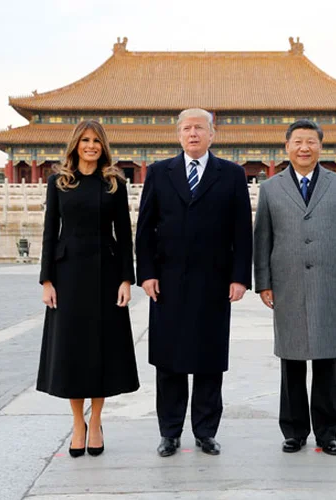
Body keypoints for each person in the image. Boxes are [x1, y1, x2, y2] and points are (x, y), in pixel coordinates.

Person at [135, 108, 253, 457]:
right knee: (169, 361)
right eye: (187, 128)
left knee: (209, 359)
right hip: (168, 282)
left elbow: (241, 231)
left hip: (214, 281)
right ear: (178, 135)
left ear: (212, 134)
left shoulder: (231, 174)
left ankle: (205, 431)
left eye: (200, 128)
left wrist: (239, 277)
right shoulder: (159, 173)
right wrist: (147, 273)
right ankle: (169, 432)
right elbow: (145, 229)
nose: (193, 134)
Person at [253, 119, 336, 456]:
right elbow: (263, 239)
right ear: (286, 147)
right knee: (292, 360)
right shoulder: (271, 188)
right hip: (287, 283)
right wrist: (264, 283)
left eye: (311, 142)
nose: (305, 148)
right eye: (298, 141)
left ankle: (328, 432)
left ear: (321, 146)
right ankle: (294, 430)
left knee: (326, 360)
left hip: (328, 281)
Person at [37, 120, 139, 458]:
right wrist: (47, 280)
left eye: (96, 140)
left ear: (103, 146)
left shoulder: (113, 183)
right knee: (72, 351)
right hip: (68, 276)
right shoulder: (59, 183)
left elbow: (124, 235)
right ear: (75, 145)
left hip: (106, 275)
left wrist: (127, 279)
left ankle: (95, 421)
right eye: (85, 140)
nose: (91, 145)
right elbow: (50, 232)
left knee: (102, 351)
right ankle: (76, 422)